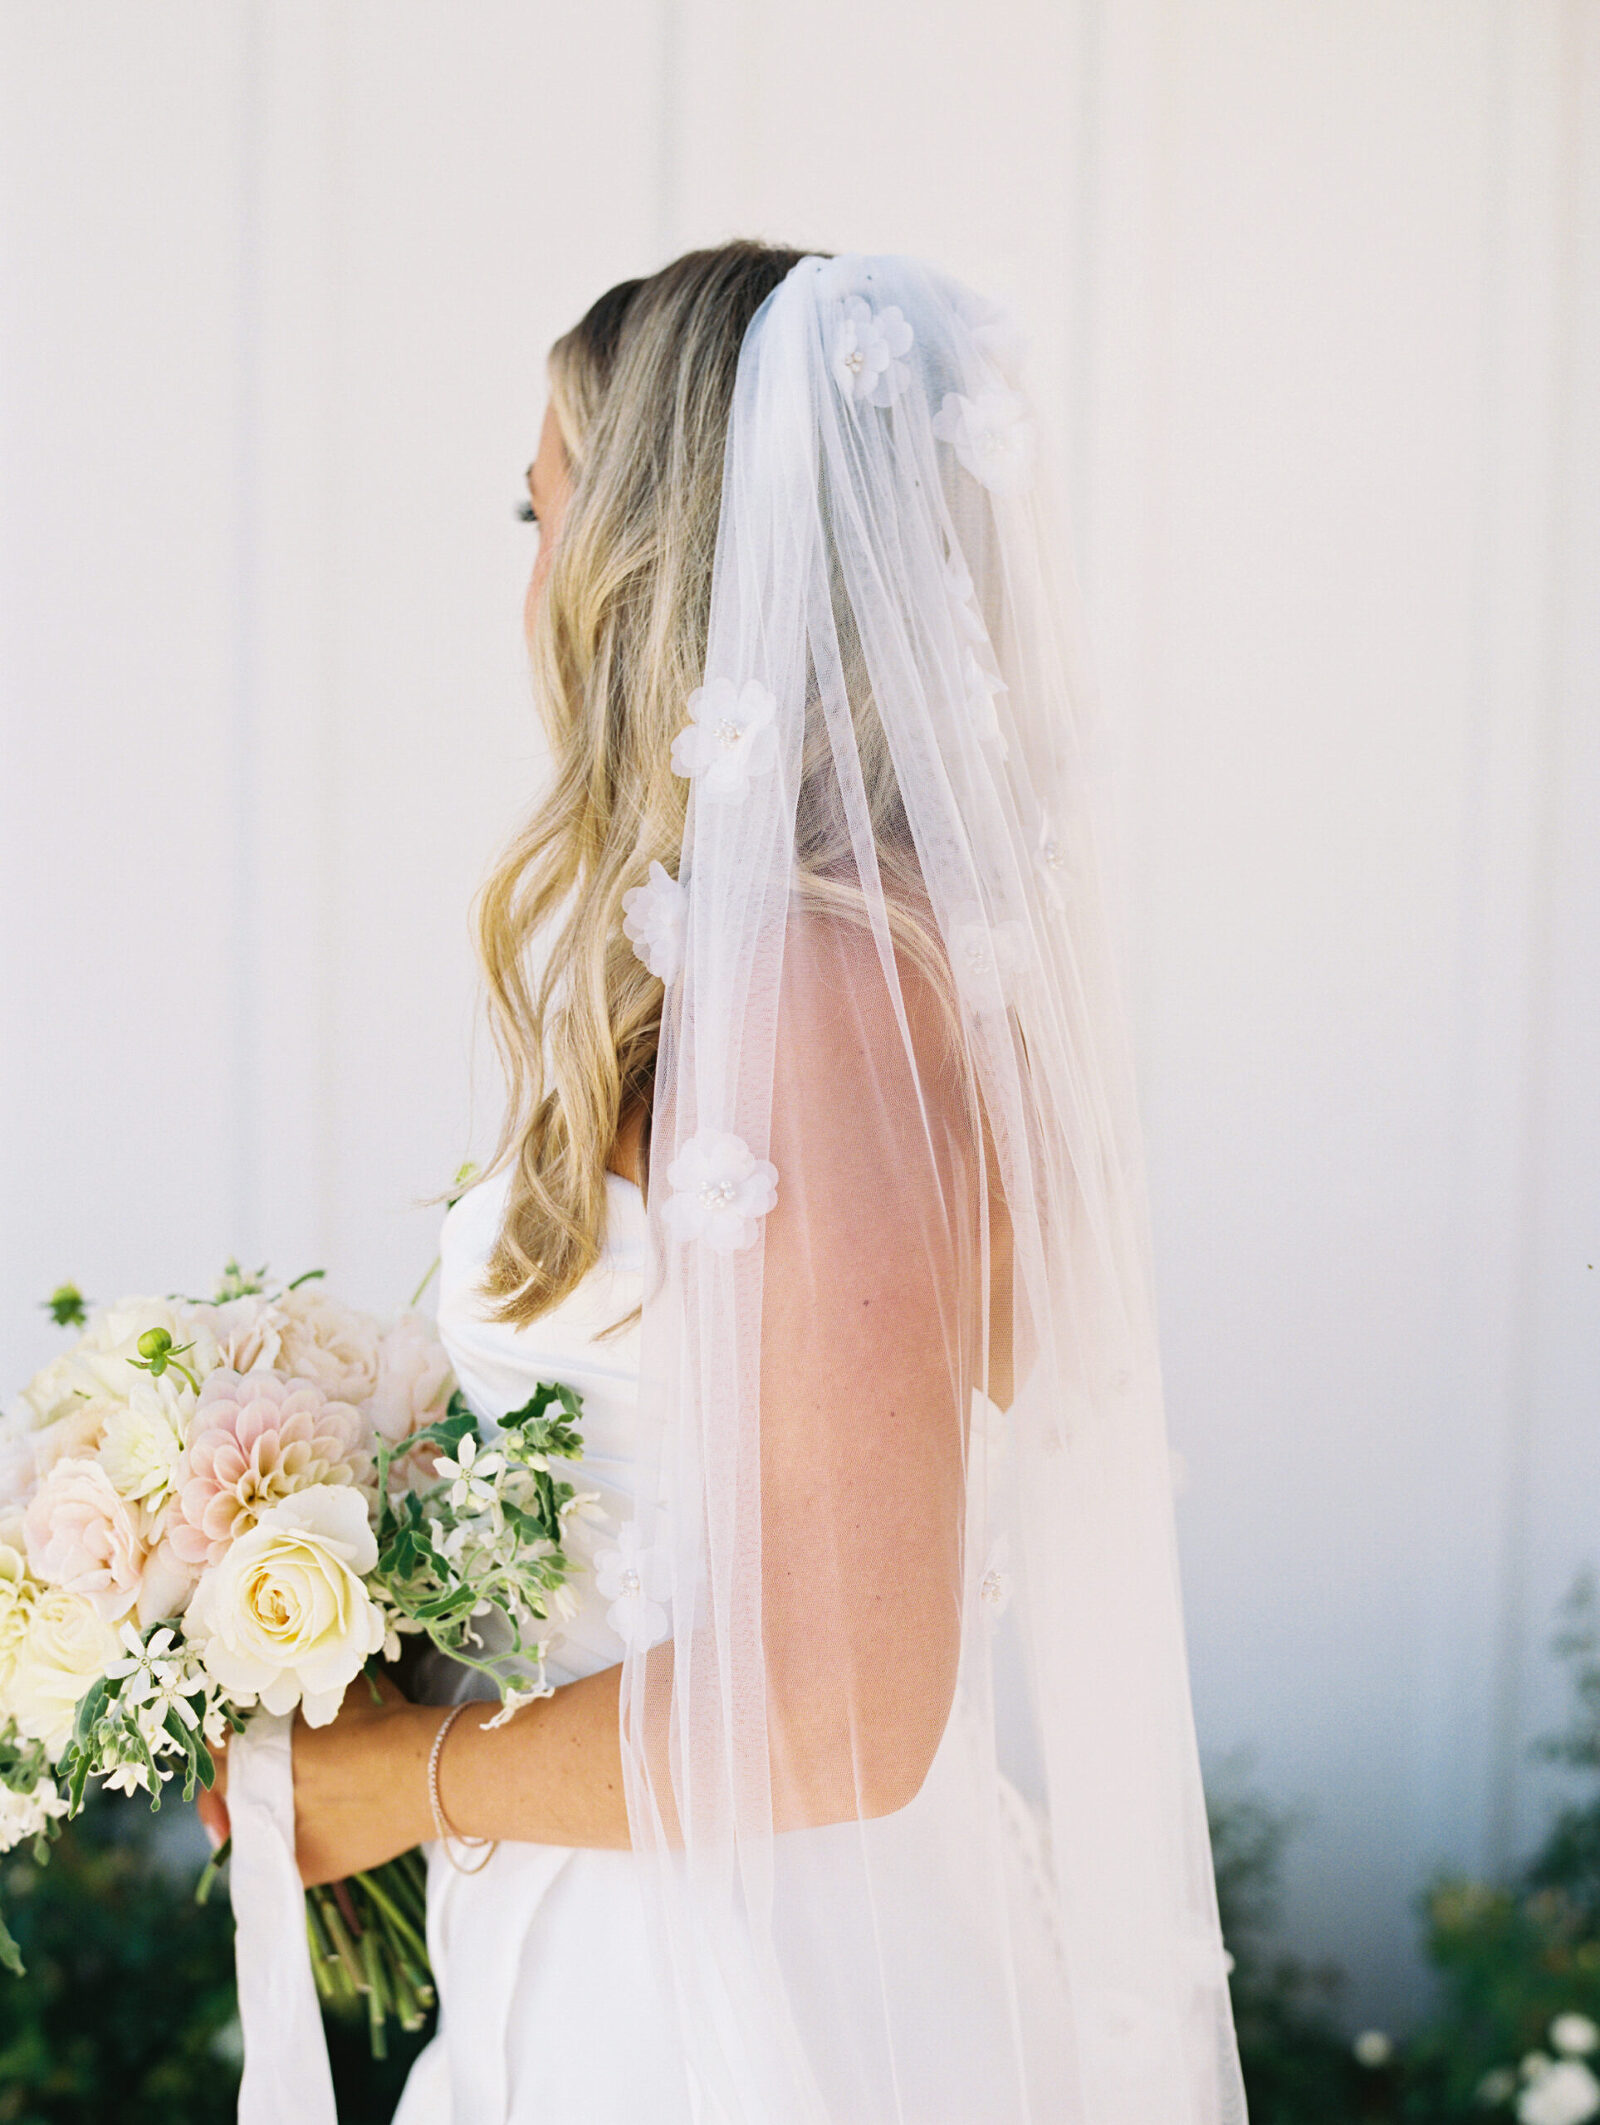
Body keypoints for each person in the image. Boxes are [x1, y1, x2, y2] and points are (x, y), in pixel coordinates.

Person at [208, 241, 1246, 2124]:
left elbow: (839, 1699)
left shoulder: (829, 996)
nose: (527, 585)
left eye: (541, 514)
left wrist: (408, 1778)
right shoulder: (852, 963)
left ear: (648, 562)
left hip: (735, 2011)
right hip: (654, 1946)